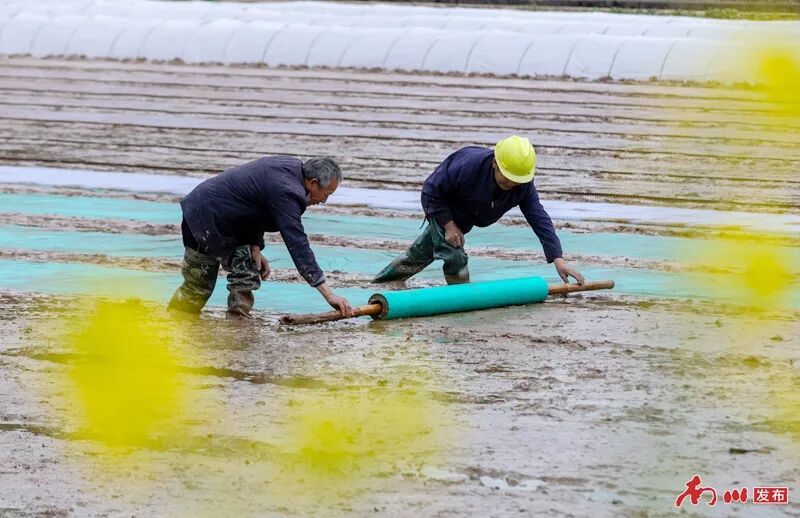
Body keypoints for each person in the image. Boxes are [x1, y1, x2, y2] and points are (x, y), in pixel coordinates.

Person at [373, 136, 584, 286]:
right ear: (495, 163)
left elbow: (539, 218)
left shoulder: (522, 183)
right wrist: (448, 224)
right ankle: (461, 296)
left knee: (420, 254)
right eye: (507, 177)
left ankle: (383, 282)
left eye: (516, 180)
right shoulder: (467, 166)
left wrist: (558, 259)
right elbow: (430, 190)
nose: (511, 183)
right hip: (443, 208)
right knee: (454, 254)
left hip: (469, 216)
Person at [168, 156, 354, 319]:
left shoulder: (291, 168)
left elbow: (255, 205)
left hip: (210, 212)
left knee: (239, 273)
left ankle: (232, 319)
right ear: (313, 183)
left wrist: (255, 246)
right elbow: (297, 243)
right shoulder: (289, 191)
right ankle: (219, 324)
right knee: (204, 284)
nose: (323, 201)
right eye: (326, 194)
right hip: (208, 219)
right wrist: (328, 294)